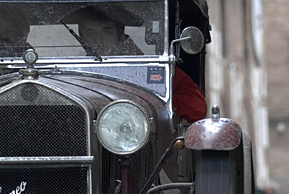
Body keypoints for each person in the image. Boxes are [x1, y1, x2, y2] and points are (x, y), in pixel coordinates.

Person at [75, 8, 207, 124]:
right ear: (82, 40)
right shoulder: (75, 72)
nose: (99, 40)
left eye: (106, 32)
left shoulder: (151, 67)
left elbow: (198, 107)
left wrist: (159, 102)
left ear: (121, 36)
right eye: (90, 33)